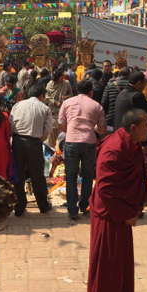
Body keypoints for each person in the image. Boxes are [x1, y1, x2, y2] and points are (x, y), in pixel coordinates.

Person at [87, 109, 147, 292]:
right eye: (145, 125)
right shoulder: (114, 148)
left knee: (120, 267)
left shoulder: (131, 144)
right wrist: (126, 215)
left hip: (121, 215)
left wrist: (132, 211)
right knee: (108, 269)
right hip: (109, 216)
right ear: (133, 127)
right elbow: (105, 189)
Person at [58, 79, 107, 220]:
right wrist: (92, 128)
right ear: (91, 92)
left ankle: (72, 210)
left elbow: (61, 124)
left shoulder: (67, 103)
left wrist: (72, 130)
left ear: (76, 90)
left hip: (71, 142)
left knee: (71, 176)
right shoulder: (97, 106)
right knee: (87, 176)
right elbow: (102, 129)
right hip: (89, 142)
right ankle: (84, 205)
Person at [10, 84, 53, 216]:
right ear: (41, 96)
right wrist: (39, 140)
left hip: (17, 141)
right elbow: (47, 130)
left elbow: (11, 123)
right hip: (34, 143)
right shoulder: (45, 108)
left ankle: (19, 205)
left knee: (19, 174)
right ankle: (43, 205)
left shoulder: (17, 105)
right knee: (37, 175)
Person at [45, 69, 73, 146]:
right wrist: (55, 102)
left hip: (64, 112)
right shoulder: (50, 84)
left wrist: (67, 97)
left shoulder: (66, 83)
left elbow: (71, 94)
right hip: (53, 112)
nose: (63, 77)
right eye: (61, 76)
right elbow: (47, 97)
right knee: (52, 132)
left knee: (62, 133)